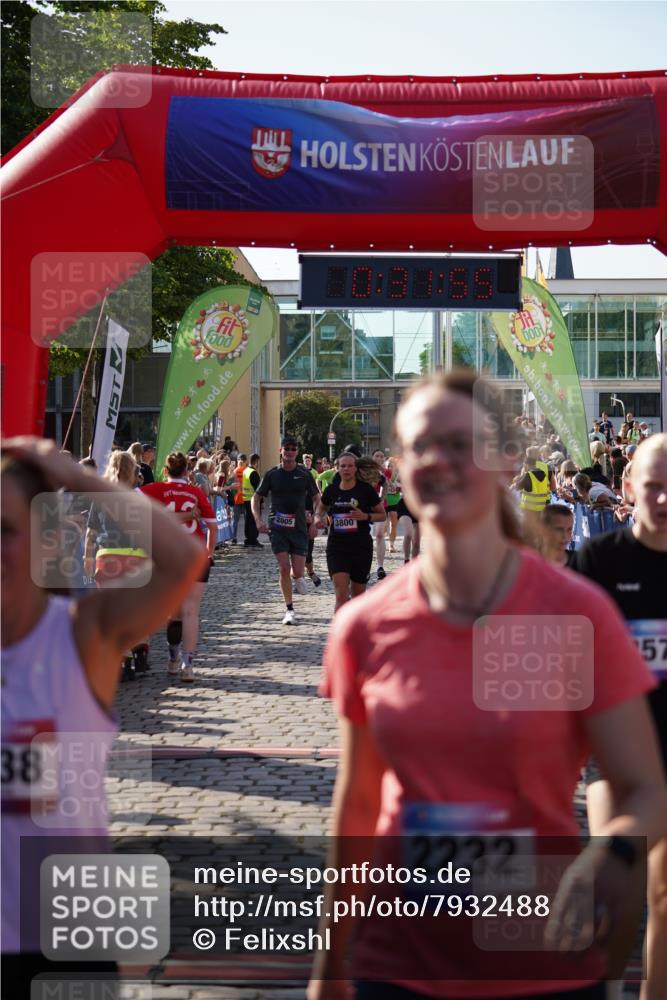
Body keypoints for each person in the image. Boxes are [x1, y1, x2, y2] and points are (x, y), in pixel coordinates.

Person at [307, 372, 667, 1000]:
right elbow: (358, 805)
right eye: (423, 446)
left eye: (461, 444)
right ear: (398, 466)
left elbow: (641, 784)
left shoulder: (573, 613)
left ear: (506, 459)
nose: (441, 462)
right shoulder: (362, 627)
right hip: (398, 963)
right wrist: (331, 963)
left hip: (538, 961)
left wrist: (611, 856)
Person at [1, 438, 206, 996]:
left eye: (4, 530)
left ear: (46, 539)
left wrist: (77, 475)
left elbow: (182, 559)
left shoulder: (77, 634)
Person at [575, 435, 667, 1000]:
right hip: (615, 760)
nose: (662, 499)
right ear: (628, 487)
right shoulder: (599, 562)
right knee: (617, 888)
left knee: (665, 898)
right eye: (653, 486)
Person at [141, 451, 217, 683]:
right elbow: (212, 527)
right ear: (187, 471)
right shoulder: (196, 492)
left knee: (173, 613)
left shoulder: (154, 489)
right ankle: (188, 664)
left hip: (168, 557)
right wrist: (210, 553)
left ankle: (173, 658)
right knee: (191, 611)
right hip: (195, 555)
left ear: (165, 470)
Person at [84, 450, 150, 681]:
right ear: (133, 471)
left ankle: (122, 662)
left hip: (107, 556)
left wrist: (87, 558)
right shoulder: (139, 496)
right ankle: (140, 652)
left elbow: (91, 531)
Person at [251, 436, 319, 625]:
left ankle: (297, 577)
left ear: (297, 452)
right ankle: (289, 610)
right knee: (283, 567)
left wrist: (315, 520)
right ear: (281, 451)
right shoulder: (272, 474)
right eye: (286, 449)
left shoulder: (305, 475)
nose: (289, 452)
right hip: (277, 527)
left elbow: (317, 499)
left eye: (293, 449)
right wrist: (258, 520)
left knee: (297, 570)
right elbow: (255, 498)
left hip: (299, 528)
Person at [318, 451, 386, 611]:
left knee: (358, 599)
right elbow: (321, 507)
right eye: (343, 466)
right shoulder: (332, 490)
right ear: (338, 469)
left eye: (350, 466)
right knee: (341, 596)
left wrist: (365, 516)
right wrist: (317, 517)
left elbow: (382, 515)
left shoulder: (366, 491)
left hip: (361, 548)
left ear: (356, 468)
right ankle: (339, 635)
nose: (346, 469)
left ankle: (356, 632)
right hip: (337, 548)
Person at [371, 449, 389, 579]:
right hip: (364, 507)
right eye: (377, 456)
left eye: (382, 456)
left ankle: (380, 566)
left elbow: (386, 486)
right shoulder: (365, 470)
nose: (380, 458)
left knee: (379, 534)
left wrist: (381, 499)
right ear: (372, 458)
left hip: (379, 507)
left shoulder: (386, 472)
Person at [539, 503, 576, 567]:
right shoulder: (530, 562)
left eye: (569, 529)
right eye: (559, 529)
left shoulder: (581, 562)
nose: (565, 536)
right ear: (543, 530)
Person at [243, 454, 262, 548]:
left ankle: (248, 539)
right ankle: (253, 539)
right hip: (253, 500)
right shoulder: (253, 472)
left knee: (248, 519)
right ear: (256, 461)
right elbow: (259, 489)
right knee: (254, 520)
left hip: (246, 499)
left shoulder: (246, 470)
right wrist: (261, 502)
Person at [231, 453, 248, 544]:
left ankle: (234, 537)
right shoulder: (248, 471)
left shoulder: (234, 471)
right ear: (246, 461)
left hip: (236, 499)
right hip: (246, 498)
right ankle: (247, 537)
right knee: (247, 520)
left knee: (235, 520)